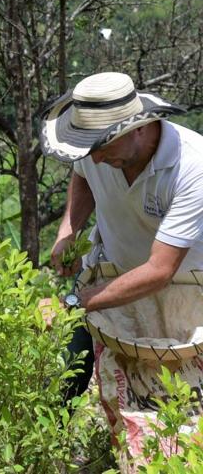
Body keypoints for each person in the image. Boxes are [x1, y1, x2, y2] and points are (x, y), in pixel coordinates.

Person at [40, 71, 203, 398]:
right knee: (66, 376)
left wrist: (72, 302)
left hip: (187, 294)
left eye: (102, 145)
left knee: (176, 397)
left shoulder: (192, 166)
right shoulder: (96, 153)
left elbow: (159, 270)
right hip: (107, 275)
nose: (95, 157)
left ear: (139, 127)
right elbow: (82, 177)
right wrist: (68, 230)